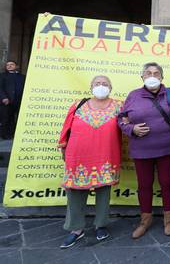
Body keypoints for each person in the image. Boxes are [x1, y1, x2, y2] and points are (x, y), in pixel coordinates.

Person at [119, 62, 170, 239]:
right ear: (142, 77)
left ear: (161, 77)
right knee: (144, 185)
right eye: (148, 73)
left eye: (156, 73)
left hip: (166, 148)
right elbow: (121, 119)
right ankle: (145, 220)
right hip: (141, 150)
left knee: (166, 183)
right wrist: (131, 129)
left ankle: (169, 219)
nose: (152, 76)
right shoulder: (133, 95)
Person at [57, 75, 122, 249]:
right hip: (77, 156)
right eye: (97, 83)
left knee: (103, 192)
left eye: (105, 84)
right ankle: (76, 229)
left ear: (111, 87)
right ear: (91, 87)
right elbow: (66, 127)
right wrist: (63, 145)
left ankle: (100, 225)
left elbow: (127, 125)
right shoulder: (79, 104)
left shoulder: (119, 106)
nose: (101, 86)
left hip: (105, 156)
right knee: (75, 192)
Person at [0, 60, 26, 139]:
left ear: (16, 66)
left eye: (12, 64)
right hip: (6, 101)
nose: (9, 66)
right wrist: (4, 97)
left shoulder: (22, 77)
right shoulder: (2, 75)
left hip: (19, 101)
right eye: (8, 65)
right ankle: (4, 135)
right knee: (6, 118)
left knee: (17, 119)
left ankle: (13, 135)